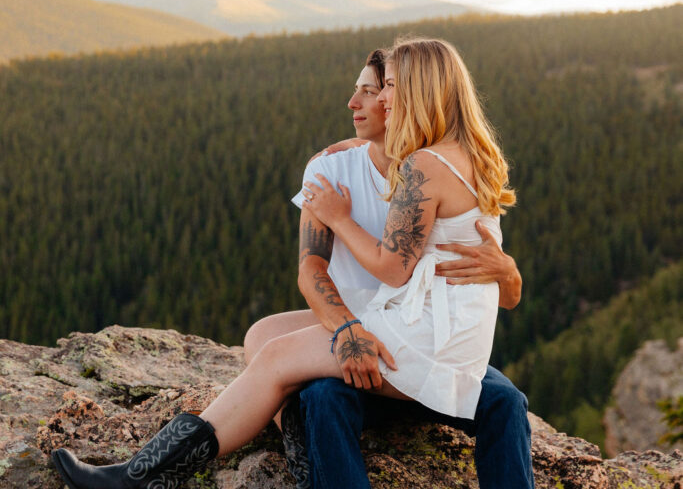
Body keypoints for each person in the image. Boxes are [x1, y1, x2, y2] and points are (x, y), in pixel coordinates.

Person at [52, 38, 529, 489]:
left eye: (387, 87)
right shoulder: (461, 155)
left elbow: (392, 268)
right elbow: (318, 267)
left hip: (425, 335)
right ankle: (258, 455)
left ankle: (136, 478)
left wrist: (338, 218)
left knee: (279, 360)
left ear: (418, 91)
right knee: (265, 336)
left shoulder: (424, 165)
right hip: (445, 331)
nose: (378, 100)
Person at [254, 42, 533, 489]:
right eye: (366, 90)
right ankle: (302, 450)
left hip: (416, 339)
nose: (362, 102)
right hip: (367, 336)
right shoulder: (333, 169)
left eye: (379, 89)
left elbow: (503, 294)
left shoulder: (431, 171)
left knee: (505, 401)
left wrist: (509, 273)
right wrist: (347, 330)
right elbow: (311, 271)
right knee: (321, 391)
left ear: (408, 98)